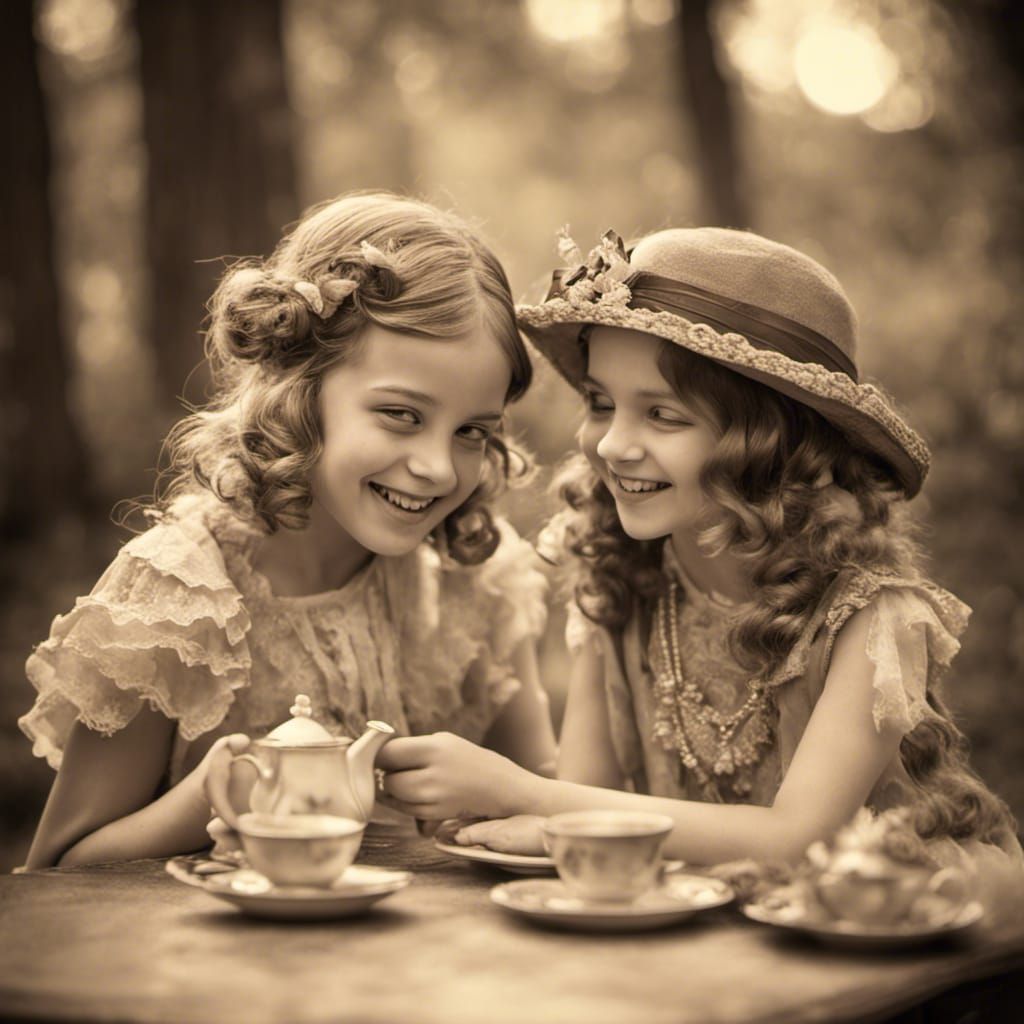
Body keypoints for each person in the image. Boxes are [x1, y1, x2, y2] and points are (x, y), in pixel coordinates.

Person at [376, 227, 1023, 904]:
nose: (615, 444)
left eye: (662, 415)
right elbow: (586, 794)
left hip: (885, 914)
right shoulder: (615, 577)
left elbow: (798, 842)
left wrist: (524, 794)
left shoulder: (874, 619)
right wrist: (529, 822)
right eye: (601, 404)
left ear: (767, 445)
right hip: (718, 920)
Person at [19, 192, 556, 869]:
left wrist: (513, 791)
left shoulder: (475, 583)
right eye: (401, 415)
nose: (436, 467)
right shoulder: (177, 597)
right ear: (300, 387)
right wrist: (204, 802)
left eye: (471, 431)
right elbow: (55, 873)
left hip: (429, 965)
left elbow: (550, 796)